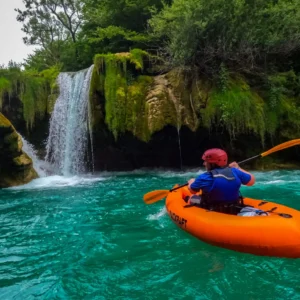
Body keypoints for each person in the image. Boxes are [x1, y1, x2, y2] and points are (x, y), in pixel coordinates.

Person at [186, 148, 255, 211]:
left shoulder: (204, 177)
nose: (204, 163)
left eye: (206, 161)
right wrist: (238, 168)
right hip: (234, 207)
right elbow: (251, 181)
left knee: (192, 197)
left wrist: (191, 182)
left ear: (212, 163)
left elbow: (192, 190)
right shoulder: (235, 171)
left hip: (213, 209)